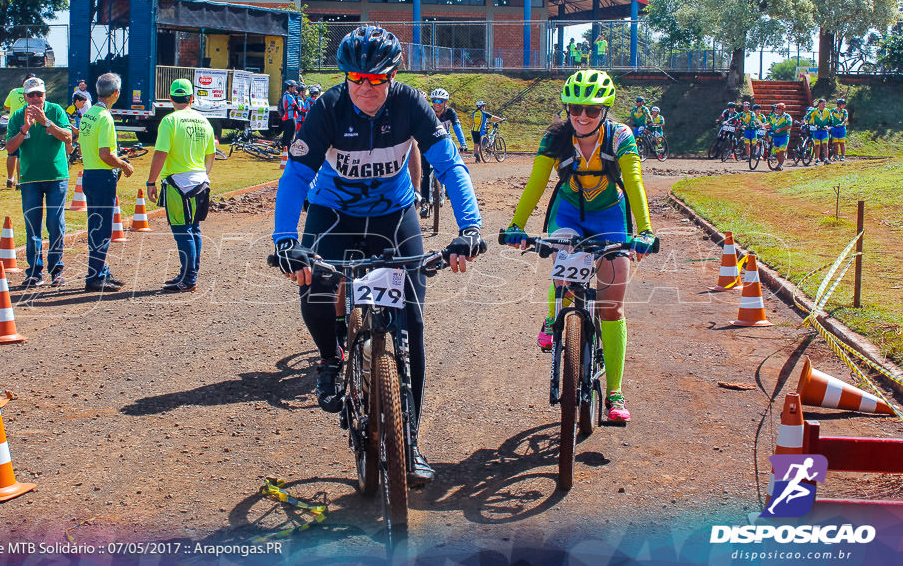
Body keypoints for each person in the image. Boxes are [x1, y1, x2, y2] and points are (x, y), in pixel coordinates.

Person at [271, 25, 486, 486]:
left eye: (376, 79)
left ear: (393, 76)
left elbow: (449, 166)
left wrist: (469, 228)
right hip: (334, 214)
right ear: (345, 77)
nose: (366, 88)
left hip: (394, 214)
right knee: (315, 284)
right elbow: (294, 177)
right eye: (356, 78)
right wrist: (286, 240)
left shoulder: (411, 105)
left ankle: (409, 441)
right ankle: (330, 359)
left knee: (413, 323)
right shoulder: (327, 107)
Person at [502, 69, 656, 423]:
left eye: (592, 109)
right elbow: (537, 182)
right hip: (568, 212)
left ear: (605, 110)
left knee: (612, 306)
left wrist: (645, 230)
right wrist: (517, 226)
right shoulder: (555, 137)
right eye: (575, 109)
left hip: (610, 216)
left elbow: (633, 181)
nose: (582, 116)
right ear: (567, 108)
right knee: (564, 272)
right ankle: (553, 315)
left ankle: (615, 393)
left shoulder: (620, 137)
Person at [145, 79, 216, 292]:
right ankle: (189, 273)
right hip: (200, 181)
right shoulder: (204, 121)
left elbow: (160, 153)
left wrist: (151, 181)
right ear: (191, 98)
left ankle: (189, 278)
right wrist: (203, 174)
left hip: (178, 183)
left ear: (170, 98)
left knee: (182, 231)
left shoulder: (170, 121)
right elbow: (211, 154)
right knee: (194, 229)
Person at [5, 77, 73, 287]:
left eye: (39, 94)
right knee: (32, 226)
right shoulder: (17, 115)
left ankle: (56, 270)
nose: (35, 99)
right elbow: (9, 148)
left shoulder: (56, 111)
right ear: (24, 97)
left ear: (45, 95)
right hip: (30, 178)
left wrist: (46, 123)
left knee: (55, 223)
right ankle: (34, 271)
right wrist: (24, 128)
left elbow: (68, 137)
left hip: (56, 176)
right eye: (31, 95)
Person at [78, 72, 134, 291]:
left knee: (95, 226)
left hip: (89, 173)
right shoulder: (105, 117)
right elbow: (106, 154)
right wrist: (124, 165)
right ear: (116, 93)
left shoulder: (90, 113)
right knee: (103, 229)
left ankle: (99, 270)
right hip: (102, 175)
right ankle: (95, 277)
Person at [419, 88, 468, 218]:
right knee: (426, 172)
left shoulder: (450, 112)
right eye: (434, 100)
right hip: (429, 144)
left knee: (449, 167)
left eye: (440, 101)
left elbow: (457, 128)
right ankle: (424, 203)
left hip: (445, 143)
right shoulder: (428, 111)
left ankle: (448, 190)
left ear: (445, 102)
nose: (437, 103)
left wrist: (463, 144)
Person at [4, 73, 37, 188]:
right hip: (26, 123)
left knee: (11, 153)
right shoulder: (34, 94)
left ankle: (9, 179)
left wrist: (14, 107)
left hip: (12, 123)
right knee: (20, 155)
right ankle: (19, 182)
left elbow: (5, 106)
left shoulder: (13, 91)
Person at [768, 103, 793, 171]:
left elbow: (789, 125)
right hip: (776, 136)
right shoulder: (774, 117)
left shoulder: (787, 116)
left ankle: (780, 165)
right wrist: (763, 125)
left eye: (779, 109)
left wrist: (780, 129)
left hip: (784, 136)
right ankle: (779, 164)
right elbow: (770, 124)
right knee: (778, 151)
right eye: (777, 109)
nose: (777, 111)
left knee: (782, 150)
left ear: (783, 110)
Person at [810, 98, 832, 164]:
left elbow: (831, 120)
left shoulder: (828, 111)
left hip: (824, 130)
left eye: (825, 104)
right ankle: (816, 159)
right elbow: (808, 117)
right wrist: (813, 124)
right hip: (816, 130)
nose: (824, 105)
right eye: (823, 104)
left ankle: (826, 159)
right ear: (819, 104)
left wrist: (827, 126)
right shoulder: (814, 111)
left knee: (825, 144)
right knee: (817, 145)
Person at [278, 80, 299, 149]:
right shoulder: (288, 96)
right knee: (291, 134)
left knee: (287, 133)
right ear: (289, 87)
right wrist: (296, 97)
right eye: (294, 87)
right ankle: (288, 149)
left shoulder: (286, 95)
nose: (295, 89)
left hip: (286, 117)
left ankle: (283, 146)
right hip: (290, 117)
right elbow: (296, 106)